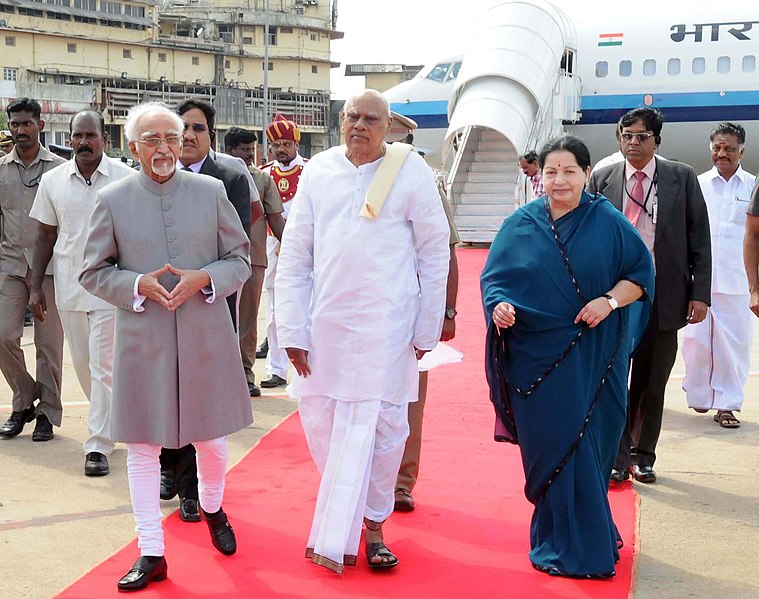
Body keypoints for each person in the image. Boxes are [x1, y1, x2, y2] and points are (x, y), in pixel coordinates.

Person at [79, 102, 253, 592]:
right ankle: (151, 551)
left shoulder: (211, 190)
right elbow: (92, 271)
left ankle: (214, 507)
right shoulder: (112, 199)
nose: (163, 149)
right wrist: (137, 285)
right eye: (151, 140)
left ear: (183, 144)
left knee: (213, 441)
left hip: (204, 333)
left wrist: (206, 277)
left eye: (171, 139)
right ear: (132, 146)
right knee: (141, 448)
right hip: (142, 338)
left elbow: (240, 258)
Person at [276, 89, 450, 573]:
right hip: (325, 324)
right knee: (321, 419)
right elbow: (295, 255)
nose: (359, 125)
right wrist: (292, 328)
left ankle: (373, 528)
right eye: (352, 116)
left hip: (388, 327)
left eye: (371, 118)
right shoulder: (319, 170)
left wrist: (426, 327)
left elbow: (435, 251)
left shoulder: (409, 170)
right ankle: (341, 517)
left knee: (388, 430)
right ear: (341, 120)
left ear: (388, 126)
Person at [482, 135, 655, 578]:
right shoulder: (519, 224)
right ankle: (560, 536)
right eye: (550, 172)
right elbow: (496, 282)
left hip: (597, 359)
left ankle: (588, 540)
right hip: (536, 365)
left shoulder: (608, 221)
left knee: (590, 448)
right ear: (540, 177)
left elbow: (640, 275)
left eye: (569, 171)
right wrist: (499, 308)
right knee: (553, 450)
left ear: (585, 173)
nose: (559, 180)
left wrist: (609, 303)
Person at [587, 107, 711, 484]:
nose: (633, 142)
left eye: (642, 136)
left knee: (651, 381)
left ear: (657, 139)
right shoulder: (603, 178)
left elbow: (699, 239)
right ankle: (617, 457)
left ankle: (644, 455)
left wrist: (699, 294)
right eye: (627, 135)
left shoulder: (681, 177)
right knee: (611, 379)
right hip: (615, 297)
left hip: (665, 294)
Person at [157, 99, 255, 524]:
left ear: (210, 135)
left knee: (202, 402)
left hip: (211, 305)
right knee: (168, 394)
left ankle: (194, 490)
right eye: (183, 129)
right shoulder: (153, 180)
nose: (189, 136)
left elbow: (236, 250)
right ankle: (171, 469)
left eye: (198, 128)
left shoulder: (229, 179)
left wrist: (204, 278)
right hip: (161, 308)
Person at [28, 110, 134, 475]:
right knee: (83, 365)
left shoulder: (126, 179)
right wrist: (34, 285)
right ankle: (110, 420)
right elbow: (44, 236)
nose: (83, 143)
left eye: (91, 135)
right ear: (70, 138)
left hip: (111, 288)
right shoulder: (53, 181)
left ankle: (98, 445)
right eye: (77, 136)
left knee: (104, 365)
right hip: (69, 286)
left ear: (105, 138)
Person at [0, 98, 66, 442]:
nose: (20, 131)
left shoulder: (60, 169)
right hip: (10, 266)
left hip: (51, 269)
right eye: (15, 125)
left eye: (27, 124)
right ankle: (25, 398)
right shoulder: (1, 169)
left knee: (49, 344)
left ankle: (47, 413)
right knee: (3, 335)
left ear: (40, 124)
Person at [394, 175, 460, 512]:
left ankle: (402, 483)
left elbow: (446, 249)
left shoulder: (424, 182)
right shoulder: (341, 176)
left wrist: (447, 311)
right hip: (362, 313)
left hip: (412, 312)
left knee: (410, 401)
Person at [683, 123, 754, 429]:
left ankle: (727, 405)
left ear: (741, 151)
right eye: (717, 148)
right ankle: (700, 395)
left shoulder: (752, 186)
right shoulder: (697, 185)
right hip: (701, 278)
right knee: (696, 341)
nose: (722, 153)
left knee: (734, 346)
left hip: (738, 278)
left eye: (729, 148)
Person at [224, 126, 285, 397]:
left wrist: (297, 250)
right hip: (216, 260)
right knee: (219, 320)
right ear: (229, 151)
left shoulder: (263, 180)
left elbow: (275, 219)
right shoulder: (217, 176)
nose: (250, 155)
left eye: (252, 149)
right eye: (243, 150)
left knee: (248, 321)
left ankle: (246, 375)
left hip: (253, 259)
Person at [260, 113, 308, 388]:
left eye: (287, 144)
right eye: (277, 144)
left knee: (309, 307)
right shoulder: (265, 173)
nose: (282, 149)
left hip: (304, 249)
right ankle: (276, 369)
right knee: (277, 311)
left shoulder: (312, 170)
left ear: (296, 145)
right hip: (272, 248)